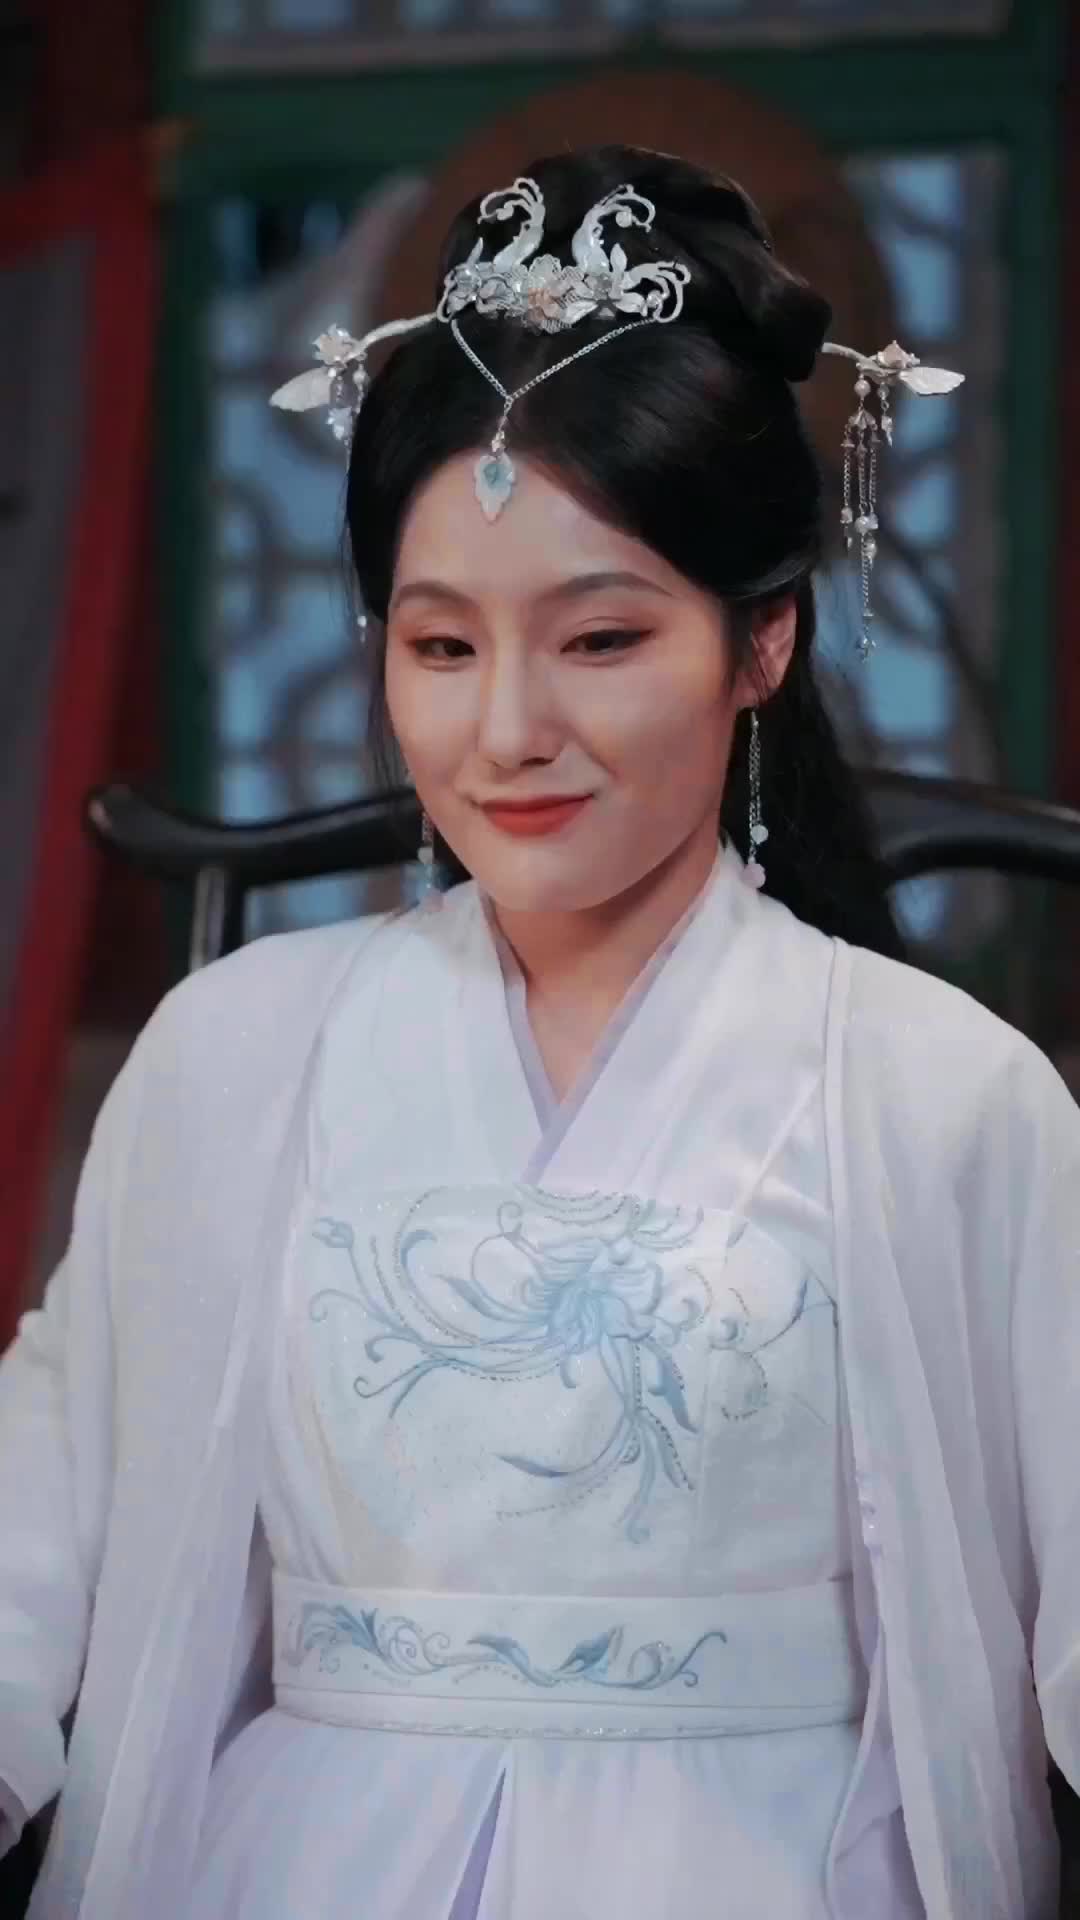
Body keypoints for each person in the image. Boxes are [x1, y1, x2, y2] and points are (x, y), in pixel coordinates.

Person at [0, 144, 1076, 1920]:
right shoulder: (234, 1053)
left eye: (600, 639)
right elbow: (39, 1515)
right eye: (441, 649)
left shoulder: (938, 1090)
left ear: (762, 645)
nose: (507, 733)